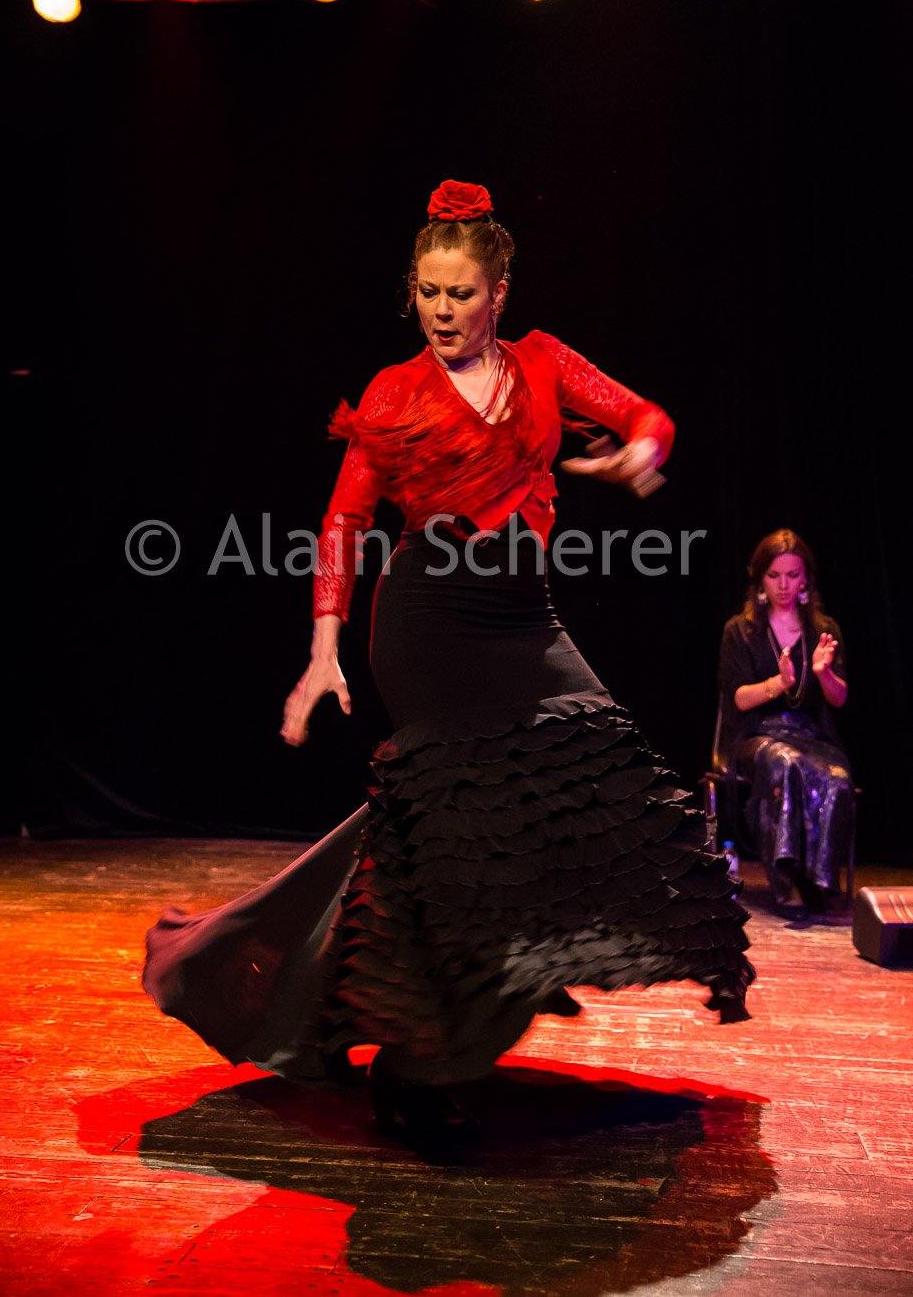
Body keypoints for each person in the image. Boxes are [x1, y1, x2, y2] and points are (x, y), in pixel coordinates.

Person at [144, 179, 753, 1141]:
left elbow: (648, 415)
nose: (441, 309)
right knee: (462, 838)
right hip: (427, 623)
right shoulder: (394, 390)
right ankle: (416, 1068)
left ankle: (400, 1010)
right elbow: (344, 523)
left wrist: (639, 454)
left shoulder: (542, 362)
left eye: (460, 292)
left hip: (525, 617)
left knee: (587, 788)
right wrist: (321, 653)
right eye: (427, 292)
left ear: (497, 293)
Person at [716, 529, 854, 916]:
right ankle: (785, 878)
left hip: (812, 736)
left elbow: (839, 698)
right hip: (758, 735)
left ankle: (819, 881)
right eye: (774, 575)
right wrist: (779, 683)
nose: (783, 585)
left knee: (838, 779)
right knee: (784, 761)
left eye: (792, 576)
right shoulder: (740, 630)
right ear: (760, 578)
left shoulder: (823, 630)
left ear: (805, 579)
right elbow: (739, 698)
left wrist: (824, 673)